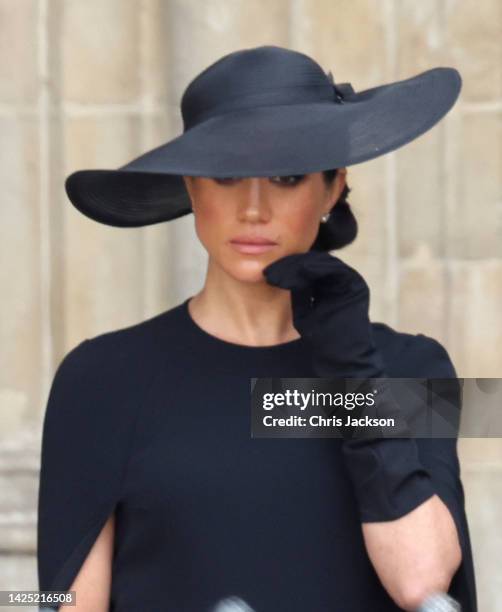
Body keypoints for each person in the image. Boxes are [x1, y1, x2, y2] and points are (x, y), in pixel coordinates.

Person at [37, 45, 477, 611]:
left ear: (333, 188)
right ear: (192, 188)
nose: (253, 207)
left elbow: (424, 584)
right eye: (226, 175)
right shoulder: (98, 379)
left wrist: (353, 373)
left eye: (286, 175)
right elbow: (57, 602)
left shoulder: (416, 367)